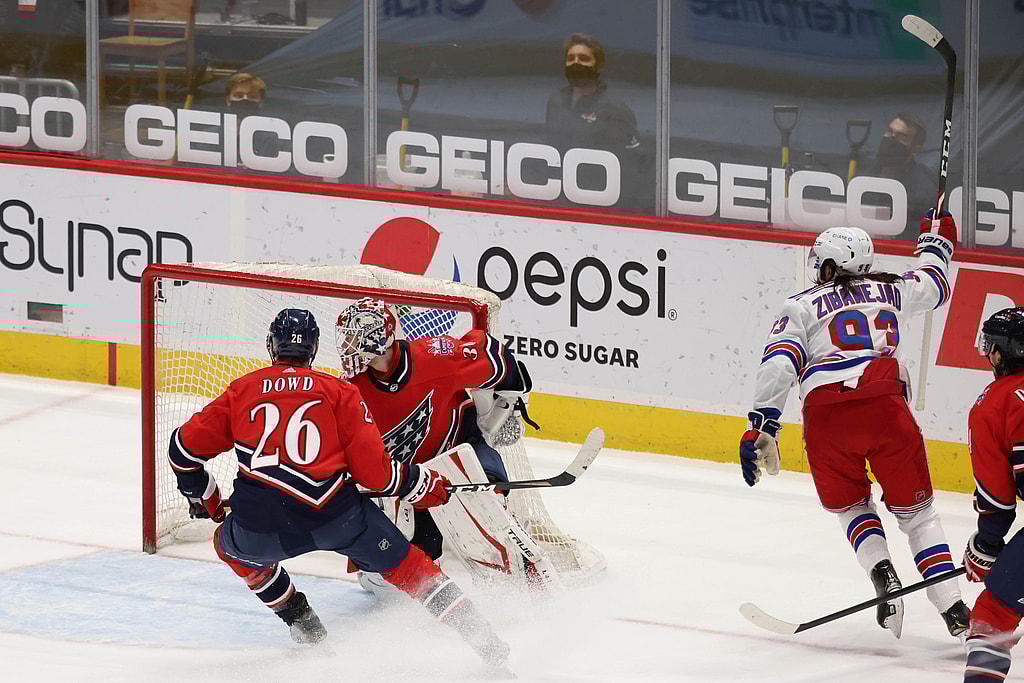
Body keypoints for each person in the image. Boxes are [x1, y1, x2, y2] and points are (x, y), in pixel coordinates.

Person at [168, 308, 510, 669]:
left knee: (230, 547)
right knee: (414, 569)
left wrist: (205, 497)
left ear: (271, 346)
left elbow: (182, 451)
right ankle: (486, 641)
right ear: (314, 350)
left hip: (262, 527)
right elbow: (376, 476)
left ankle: (302, 621)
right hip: (339, 519)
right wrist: (419, 483)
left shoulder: (243, 389)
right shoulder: (338, 390)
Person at [739, 210, 969, 640]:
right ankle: (953, 607)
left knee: (850, 507)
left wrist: (762, 424)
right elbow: (936, 284)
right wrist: (936, 240)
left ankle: (883, 572)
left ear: (826, 264)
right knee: (918, 516)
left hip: (826, 417)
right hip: (885, 408)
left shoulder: (802, 303)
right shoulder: (894, 290)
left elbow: (779, 363)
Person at [334, 298, 550, 594]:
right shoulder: (348, 391)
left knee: (486, 496)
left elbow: (495, 356)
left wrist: (509, 405)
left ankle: (514, 561)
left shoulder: (435, 359)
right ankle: (377, 567)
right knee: (396, 584)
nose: (346, 347)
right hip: (410, 482)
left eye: (353, 339)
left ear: (378, 339)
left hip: (460, 451)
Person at [961, 307, 1024, 682]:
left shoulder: (994, 403)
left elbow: (999, 501)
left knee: (994, 611)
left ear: (999, 353)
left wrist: (986, 545)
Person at [544, 33, 645, 208]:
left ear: (598, 66)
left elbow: (634, 163)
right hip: (560, 197)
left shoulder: (614, 108)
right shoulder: (556, 100)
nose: (576, 63)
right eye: (571, 58)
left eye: (583, 58)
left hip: (598, 203)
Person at [871, 114, 934, 240]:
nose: (891, 139)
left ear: (915, 150)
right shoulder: (863, 174)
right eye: (890, 132)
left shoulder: (923, 190)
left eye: (901, 137)